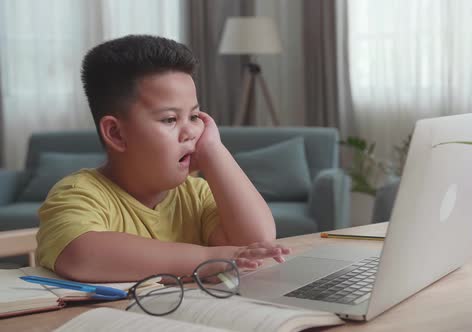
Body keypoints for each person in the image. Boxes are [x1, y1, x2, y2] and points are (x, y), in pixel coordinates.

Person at [35, 35, 291, 282]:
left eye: (194, 117)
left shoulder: (197, 194)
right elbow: (82, 255)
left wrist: (215, 151)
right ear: (116, 133)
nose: (191, 131)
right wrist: (207, 258)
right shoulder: (78, 194)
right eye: (170, 119)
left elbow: (257, 243)